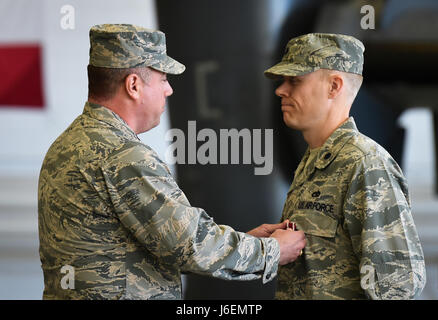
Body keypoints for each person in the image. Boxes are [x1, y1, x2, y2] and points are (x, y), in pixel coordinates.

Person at [38, 24, 306, 300]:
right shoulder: (122, 154)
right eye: (163, 78)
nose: (169, 90)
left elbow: (142, 247)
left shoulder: (69, 143)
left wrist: (249, 242)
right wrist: (272, 251)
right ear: (133, 85)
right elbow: (189, 245)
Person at [264, 33, 426, 300]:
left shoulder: (365, 164)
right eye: (283, 81)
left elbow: (396, 287)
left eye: (295, 80)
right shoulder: (314, 160)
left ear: (334, 86)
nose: (281, 90)